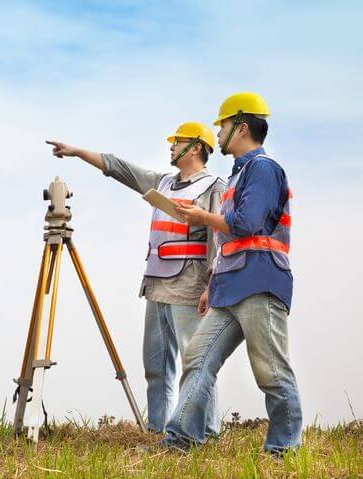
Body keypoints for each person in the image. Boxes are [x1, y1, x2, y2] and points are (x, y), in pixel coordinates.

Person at [46, 122, 225, 435]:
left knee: (195, 364)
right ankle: (159, 430)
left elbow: (220, 240)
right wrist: (77, 153)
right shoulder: (163, 182)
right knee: (156, 368)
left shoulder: (214, 187)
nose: (171, 147)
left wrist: (212, 284)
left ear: (195, 148)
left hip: (190, 288)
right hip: (156, 286)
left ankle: (205, 431)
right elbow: (120, 169)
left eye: (177, 142)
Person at [165, 92, 303, 454]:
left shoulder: (263, 169)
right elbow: (228, 242)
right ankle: (181, 439)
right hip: (229, 288)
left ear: (240, 127)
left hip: (260, 283)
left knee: (270, 372)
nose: (219, 132)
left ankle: (283, 450)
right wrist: (212, 284)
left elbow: (245, 225)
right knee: (197, 359)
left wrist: (200, 216)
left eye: (223, 125)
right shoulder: (239, 174)